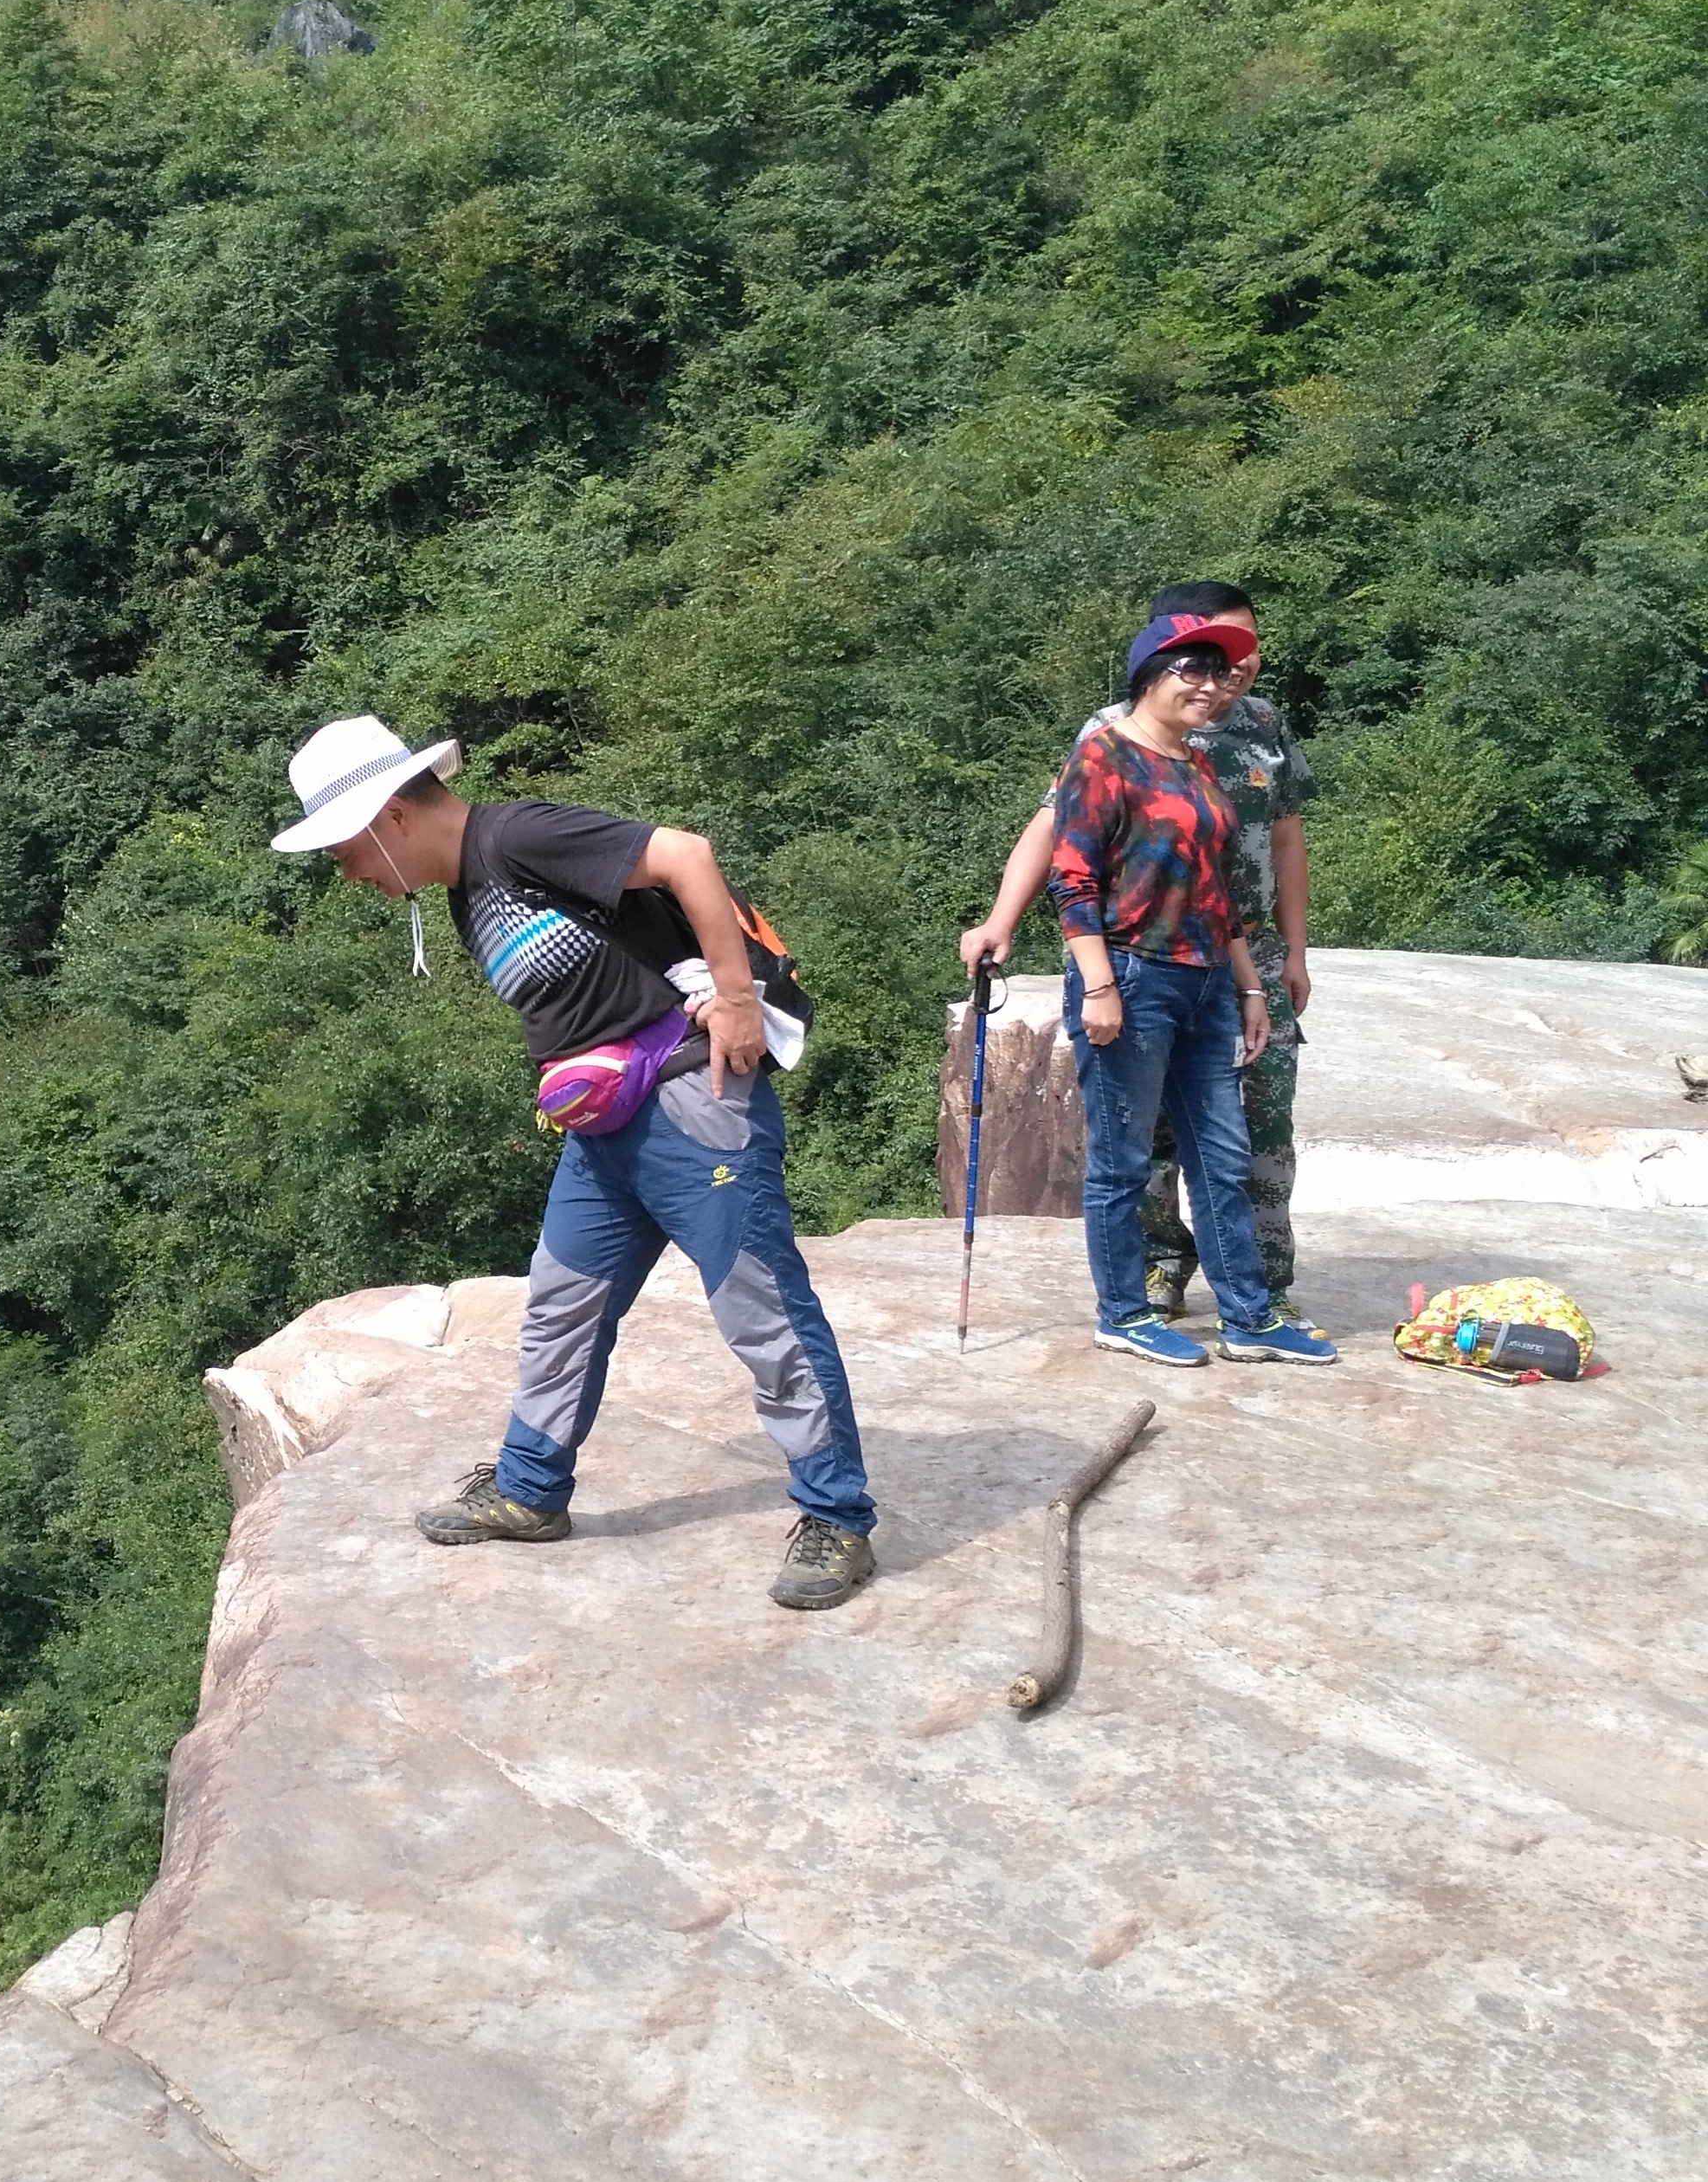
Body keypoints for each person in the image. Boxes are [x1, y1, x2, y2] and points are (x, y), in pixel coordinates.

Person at [271, 714, 881, 1611]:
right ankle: (529, 1489)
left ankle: (837, 1515)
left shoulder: (518, 838)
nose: (347, 872)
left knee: (761, 1310)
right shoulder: (467, 887)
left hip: (691, 1103)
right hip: (608, 1133)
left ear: (391, 818)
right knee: (561, 1300)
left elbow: (687, 855)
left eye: (344, 849)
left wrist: (738, 1000)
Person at [960, 583, 1316, 1318]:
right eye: (1205, 654)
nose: (1225, 672)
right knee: (1142, 1140)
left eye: (1239, 651)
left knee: (1252, 1133)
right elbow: (1061, 838)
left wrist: (1293, 953)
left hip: (1232, 956)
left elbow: (1284, 838)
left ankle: (1261, 1294)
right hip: (1140, 955)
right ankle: (1156, 1272)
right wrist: (1003, 920)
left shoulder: (1261, 726)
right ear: (1160, 657)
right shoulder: (1113, 736)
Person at [1031, 616, 1338, 1366]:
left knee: (1222, 1156)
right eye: (1190, 670)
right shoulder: (1104, 756)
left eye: (1217, 669)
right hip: (1132, 976)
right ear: (1149, 676)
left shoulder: (1196, 765)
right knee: (1124, 1160)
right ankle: (1124, 1313)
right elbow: (1071, 877)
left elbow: (1218, 891)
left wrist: (1250, 989)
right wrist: (1099, 987)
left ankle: (1247, 1316)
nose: (1209, 684)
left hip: (1207, 982)